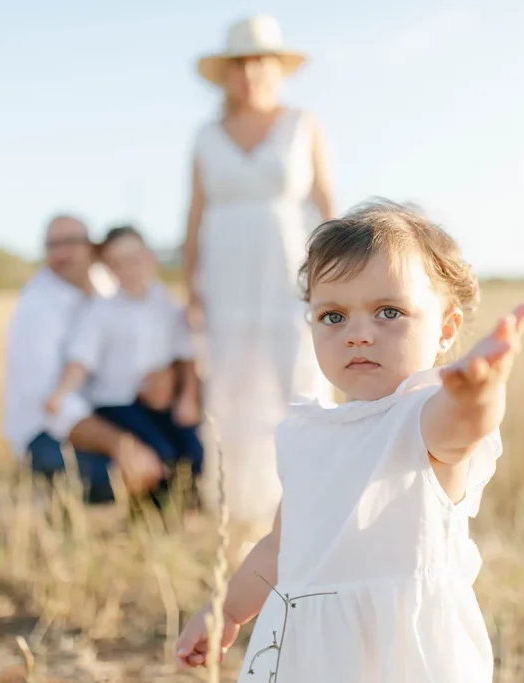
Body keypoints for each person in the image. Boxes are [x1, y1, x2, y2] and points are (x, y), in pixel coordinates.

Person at [174, 199, 524, 682]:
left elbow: (462, 429)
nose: (358, 334)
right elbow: (281, 547)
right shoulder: (309, 434)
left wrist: (480, 391)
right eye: (333, 316)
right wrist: (228, 611)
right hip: (309, 654)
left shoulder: (423, 418)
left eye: (389, 312)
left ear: (446, 328)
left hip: (400, 657)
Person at [183, 14, 336, 553]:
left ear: (276, 69)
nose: (250, 74)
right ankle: (238, 509)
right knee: (231, 384)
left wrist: (340, 272)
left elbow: (326, 203)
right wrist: (190, 286)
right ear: (226, 73)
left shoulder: (303, 122)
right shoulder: (205, 135)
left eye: (259, 62)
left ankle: (310, 499)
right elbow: (194, 214)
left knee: (297, 375)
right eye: (240, 64)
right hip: (225, 275)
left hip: (286, 269)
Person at [2, 214, 173, 502]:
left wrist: (165, 376)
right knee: (119, 474)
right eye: (52, 245)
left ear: (92, 250)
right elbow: (53, 406)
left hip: (105, 415)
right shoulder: (37, 309)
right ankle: (51, 498)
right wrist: (122, 445)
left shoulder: (109, 289)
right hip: (44, 435)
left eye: (71, 242)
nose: (61, 253)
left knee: (175, 452)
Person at [46, 224, 204, 503]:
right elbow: (81, 359)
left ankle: (184, 507)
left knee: (194, 451)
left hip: (157, 404)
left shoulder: (165, 304)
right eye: (117, 264)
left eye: (134, 260)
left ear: (150, 259)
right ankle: (148, 514)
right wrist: (60, 393)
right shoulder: (100, 311)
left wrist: (187, 399)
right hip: (117, 403)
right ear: (108, 269)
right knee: (159, 454)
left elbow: (185, 353)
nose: (128, 270)